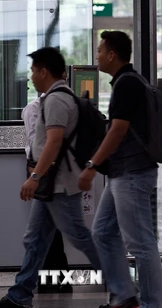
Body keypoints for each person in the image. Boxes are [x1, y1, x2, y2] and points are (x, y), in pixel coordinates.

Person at [0, 47, 101, 308]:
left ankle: (124, 287)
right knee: (35, 239)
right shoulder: (50, 99)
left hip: (60, 184)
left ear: (44, 71)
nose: (31, 76)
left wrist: (34, 176)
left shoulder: (56, 99)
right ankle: (19, 294)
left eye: (33, 71)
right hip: (51, 182)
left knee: (80, 236)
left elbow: (53, 143)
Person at [78, 30, 162, 308]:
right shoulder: (126, 82)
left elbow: (118, 130)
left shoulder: (127, 84)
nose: (97, 56)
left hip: (132, 173)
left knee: (141, 243)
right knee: (103, 233)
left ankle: (154, 304)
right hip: (121, 173)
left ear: (112, 54)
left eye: (100, 51)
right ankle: (125, 296)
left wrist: (92, 165)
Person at [21, 72, 71, 294]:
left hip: (43, 170)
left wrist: (34, 175)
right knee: (47, 229)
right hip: (48, 170)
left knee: (45, 230)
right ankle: (52, 280)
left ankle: (50, 281)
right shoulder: (38, 107)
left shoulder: (40, 106)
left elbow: (35, 144)